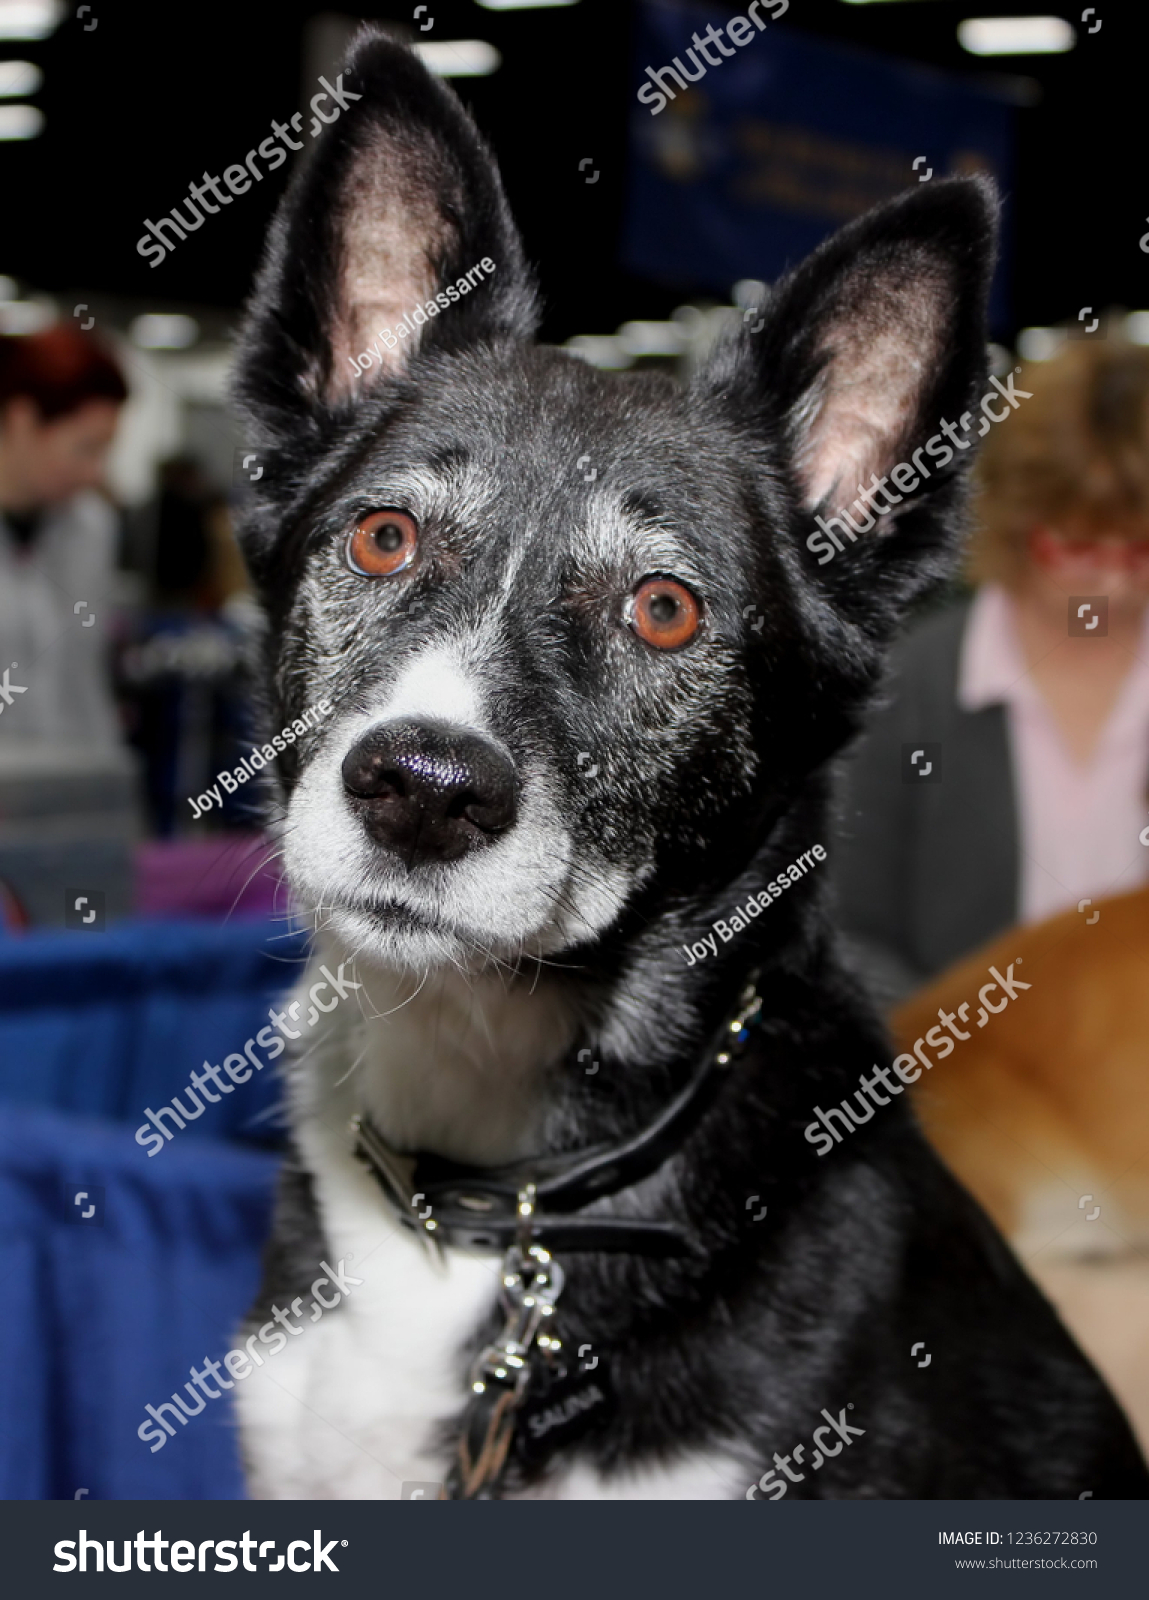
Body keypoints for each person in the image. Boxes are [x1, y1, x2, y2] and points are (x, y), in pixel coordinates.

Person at [832, 338, 1149, 1003]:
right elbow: (852, 934)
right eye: (1079, 548)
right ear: (1015, 524)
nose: (1115, 586)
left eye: (1140, 550)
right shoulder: (912, 691)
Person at [0, 325, 129, 747]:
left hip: (63, 783)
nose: (95, 473)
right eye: (85, 448)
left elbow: (85, 681)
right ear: (22, 421)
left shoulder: (90, 528)